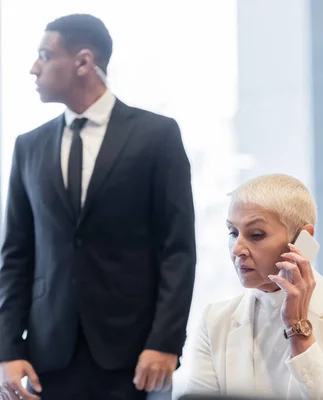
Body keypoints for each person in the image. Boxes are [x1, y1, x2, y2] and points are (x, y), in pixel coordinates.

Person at [0, 14, 196, 400]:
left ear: (84, 62)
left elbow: (177, 250)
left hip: (135, 357)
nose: (33, 68)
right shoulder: (29, 146)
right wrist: (7, 348)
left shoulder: (157, 136)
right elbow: (16, 256)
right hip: (47, 358)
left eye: (44, 55)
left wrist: (166, 341)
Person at [178, 174, 323, 400]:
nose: (237, 249)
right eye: (233, 233)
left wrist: (298, 328)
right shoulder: (215, 319)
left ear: (302, 238)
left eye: (256, 235)